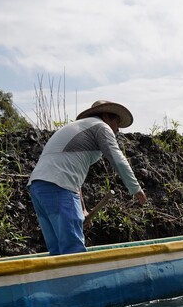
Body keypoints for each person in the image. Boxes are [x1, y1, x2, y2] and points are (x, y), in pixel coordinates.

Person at [28, 100, 147, 255]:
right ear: (106, 117)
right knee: (73, 251)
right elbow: (117, 158)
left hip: (38, 187)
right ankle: (78, 279)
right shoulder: (101, 127)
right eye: (116, 123)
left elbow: (75, 175)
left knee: (57, 251)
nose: (117, 130)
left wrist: (83, 209)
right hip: (59, 187)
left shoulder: (82, 128)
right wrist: (135, 188)